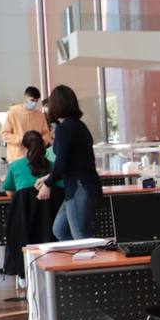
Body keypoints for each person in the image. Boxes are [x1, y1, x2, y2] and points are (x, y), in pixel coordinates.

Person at [35, 85, 102, 241]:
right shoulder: (79, 126)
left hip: (79, 187)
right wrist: (48, 178)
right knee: (60, 229)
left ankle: (85, 263)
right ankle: (77, 259)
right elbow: (74, 161)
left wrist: (48, 184)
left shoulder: (64, 129)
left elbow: (63, 161)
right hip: (84, 185)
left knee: (81, 236)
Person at [1, 85, 52, 162]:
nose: (34, 103)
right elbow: (4, 134)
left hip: (35, 156)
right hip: (16, 157)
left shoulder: (40, 115)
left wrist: (40, 142)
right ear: (25, 98)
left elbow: (46, 133)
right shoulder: (13, 113)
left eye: (36, 101)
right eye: (32, 100)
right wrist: (20, 140)